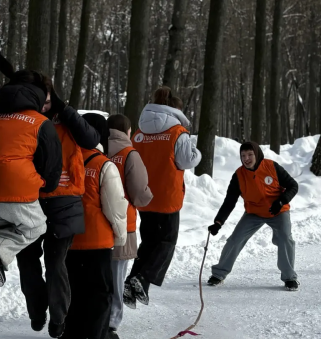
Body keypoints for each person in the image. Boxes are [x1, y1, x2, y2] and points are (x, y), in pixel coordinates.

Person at [0, 48, 62, 286]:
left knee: (5, 226)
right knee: (35, 227)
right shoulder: (40, 123)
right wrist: (45, 184)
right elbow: (52, 168)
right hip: (18, 194)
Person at [16, 82, 101, 337]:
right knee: (26, 260)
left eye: (48, 100)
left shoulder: (67, 119)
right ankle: (37, 310)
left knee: (55, 262)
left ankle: (58, 318)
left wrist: (66, 111)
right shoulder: (23, 118)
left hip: (64, 199)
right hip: (29, 198)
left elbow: (92, 139)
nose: (44, 106)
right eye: (40, 100)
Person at [55, 113, 127, 339]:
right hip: (97, 239)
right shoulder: (103, 165)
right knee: (100, 292)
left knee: (74, 292)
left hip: (68, 238)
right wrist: (120, 235)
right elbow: (115, 206)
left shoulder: (63, 160)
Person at [125, 87, 201, 307]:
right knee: (166, 241)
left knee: (149, 242)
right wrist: (197, 153)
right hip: (167, 195)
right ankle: (142, 279)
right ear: (175, 110)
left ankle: (132, 281)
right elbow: (187, 161)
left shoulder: (139, 133)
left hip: (144, 194)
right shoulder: (178, 132)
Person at [207, 141, 299, 290]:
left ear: (257, 154)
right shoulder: (239, 175)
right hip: (254, 212)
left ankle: (289, 278)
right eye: (243, 155)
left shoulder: (272, 166)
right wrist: (218, 222)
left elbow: (293, 186)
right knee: (235, 239)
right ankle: (219, 274)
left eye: (250, 154)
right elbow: (229, 201)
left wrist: (281, 201)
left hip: (278, 210)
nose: (246, 158)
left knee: (285, 239)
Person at [106, 114, 153, 339]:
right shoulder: (129, 154)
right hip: (123, 223)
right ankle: (111, 322)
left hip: (97, 223)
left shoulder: (97, 150)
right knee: (117, 275)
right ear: (127, 132)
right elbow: (139, 193)